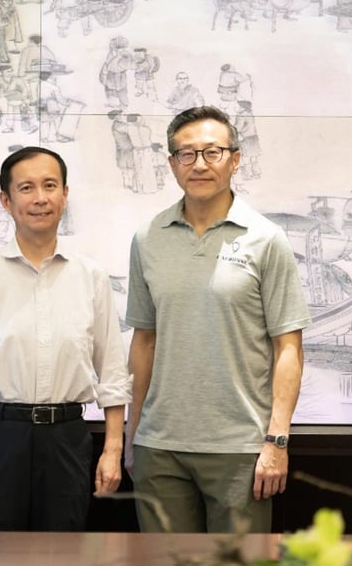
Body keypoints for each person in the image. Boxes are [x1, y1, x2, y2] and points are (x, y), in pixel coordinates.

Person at [126, 106, 310, 533]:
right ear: (172, 163)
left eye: (212, 152)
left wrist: (276, 441)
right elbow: (144, 341)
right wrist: (134, 435)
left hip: (240, 449)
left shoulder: (267, 240)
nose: (199, 165)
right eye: (186, 154)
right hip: (159, 447)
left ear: (236, 158)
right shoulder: (148, 239)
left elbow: (289, 348)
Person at [0, 146, 130, 530]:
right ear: (6, 201)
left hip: (66, 438)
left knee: (62, 553)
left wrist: (112, 449)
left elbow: (111, 371)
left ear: (64, 195)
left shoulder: (90, 277)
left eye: (49, 186)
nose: (40, 198)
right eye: (26, 188)